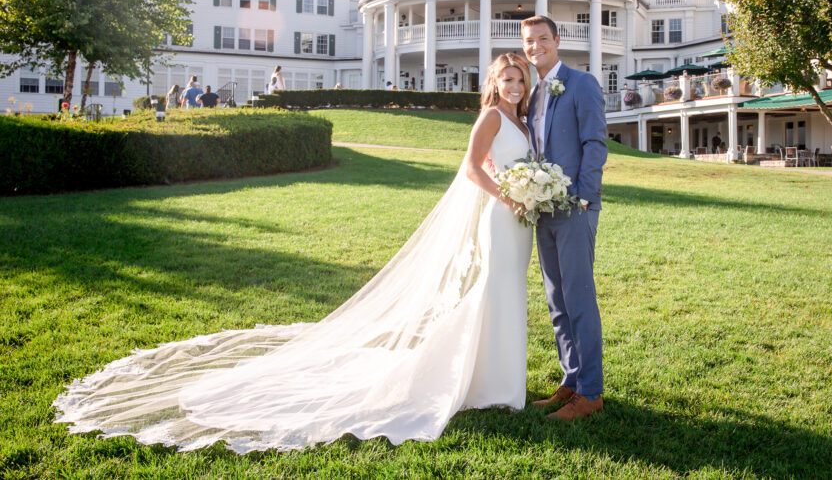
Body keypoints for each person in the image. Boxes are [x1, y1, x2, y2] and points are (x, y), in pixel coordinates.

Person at [53, 53, 535, 452]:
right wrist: (512, 197)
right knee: (490, 290)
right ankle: (482, 383)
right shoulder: (491, 116)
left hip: (522, 221)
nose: (513, 85)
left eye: (520, 79)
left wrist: (535, 193)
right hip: (500, 215)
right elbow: (472, 169)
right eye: (506, 78)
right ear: (493, 82)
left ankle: (502, 383)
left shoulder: (523, 117)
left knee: (509, 293)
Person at [521, 15, 608, 421]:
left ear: (557, 40)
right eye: (528, 41)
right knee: (557, 301)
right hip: (544, 212)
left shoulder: (582, 83)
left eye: (542, 38)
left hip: (575, 209)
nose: (535, 46)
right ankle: (571, 380)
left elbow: (595, 143)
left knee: (579, 300)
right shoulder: (533, 94)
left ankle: (591, 392)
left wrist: (585, 198)